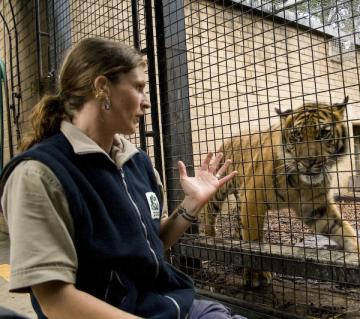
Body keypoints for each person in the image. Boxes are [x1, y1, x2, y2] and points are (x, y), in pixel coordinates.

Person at [0, 37, 244, 319]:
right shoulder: (38, 174)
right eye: (139, 87)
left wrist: (191, 205)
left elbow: (148, 246)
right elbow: (55, 302)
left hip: (176, 306)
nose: (147, 103)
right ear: (102, 87)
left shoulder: (137, 162)